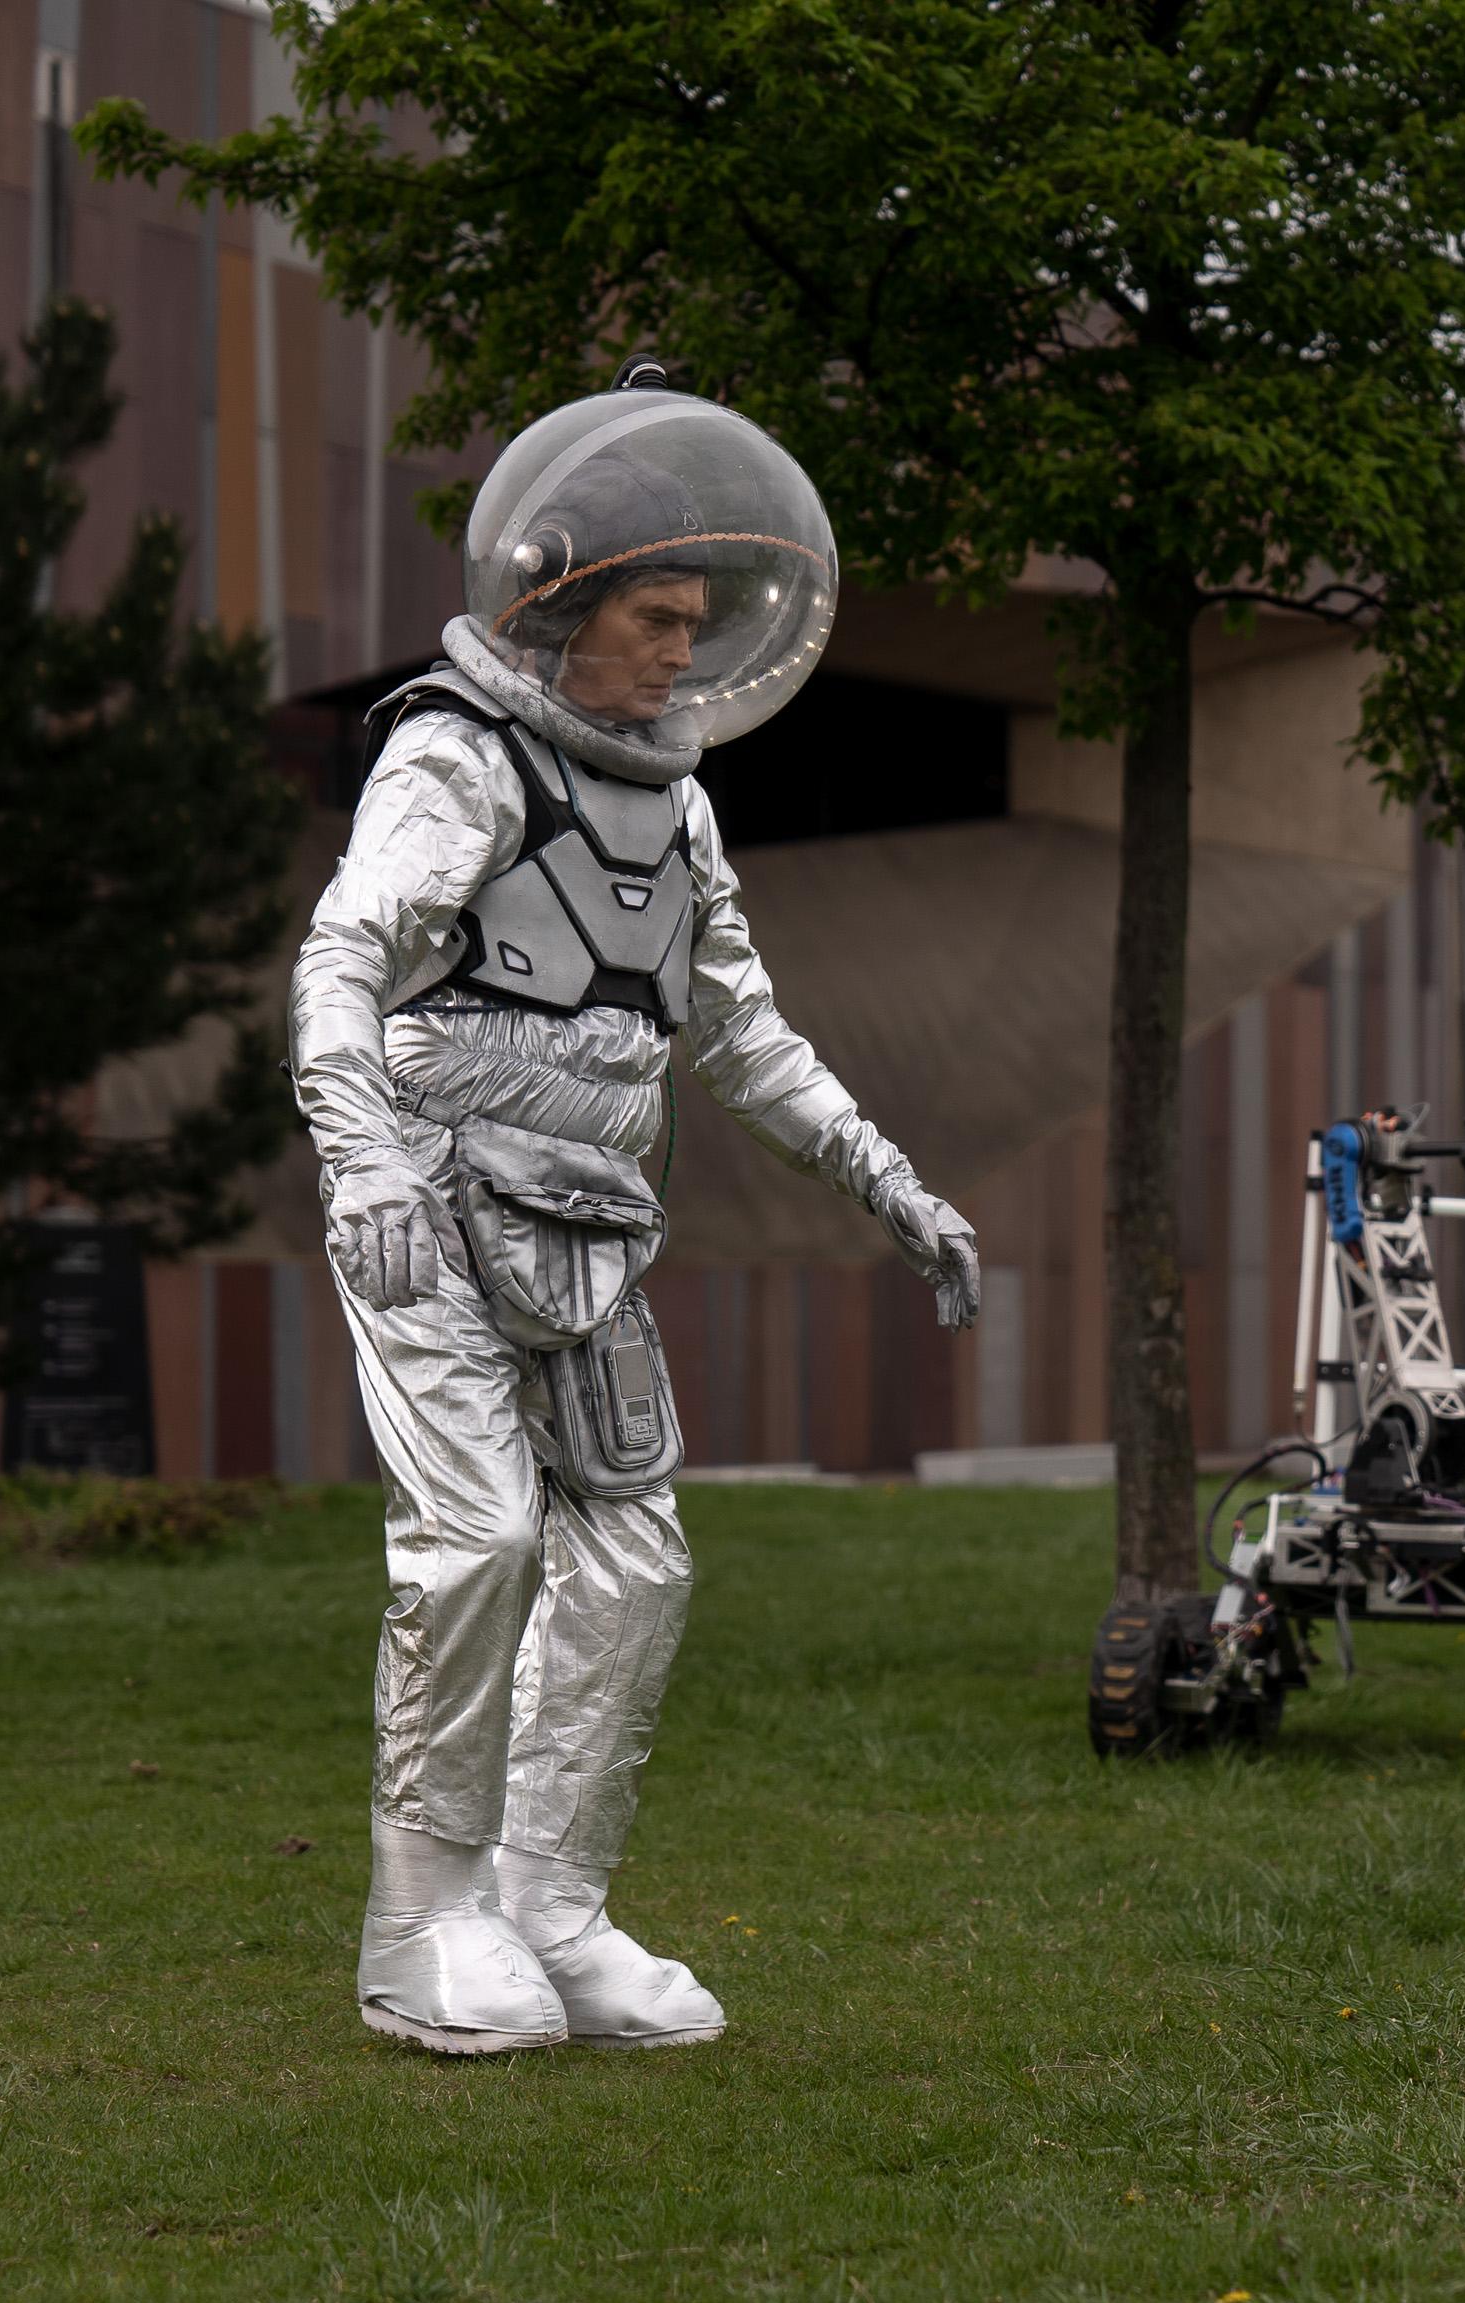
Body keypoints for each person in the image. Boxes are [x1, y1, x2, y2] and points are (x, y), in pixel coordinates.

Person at [291, 368, 980, 2054]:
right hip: (433, 1212)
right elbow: (340, 961)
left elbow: (740, 1025)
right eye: (656, 619)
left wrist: (890, 1180)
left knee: (636, 1561)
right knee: (477, 1541)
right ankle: (422, 1925)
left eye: (697, 622)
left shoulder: (674, 797)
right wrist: (367, 1160)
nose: (682, 652)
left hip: (587, 1232)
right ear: (556, 604)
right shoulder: (457, 762)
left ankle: (552, 1905)